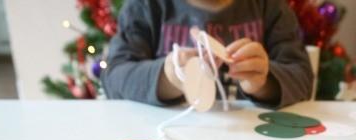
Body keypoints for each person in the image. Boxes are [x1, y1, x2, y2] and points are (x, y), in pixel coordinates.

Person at [102, 0, 314, 108]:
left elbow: (302, 77)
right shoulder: (145, 5)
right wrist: (168, 77)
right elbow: (114, 77)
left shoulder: (270, 6)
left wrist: (263, 83)